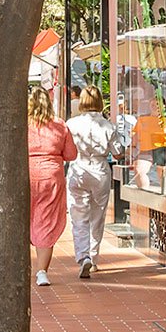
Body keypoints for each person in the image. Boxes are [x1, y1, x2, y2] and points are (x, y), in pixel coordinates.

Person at [27, 84, 78, 286]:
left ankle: (24, 267)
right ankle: (42, 272)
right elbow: (71, 155)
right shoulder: (59, 125)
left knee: (25, 218)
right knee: (46, 221)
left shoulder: (22, 124)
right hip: (52, 176)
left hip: (27, 174)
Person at [65, 87, 118, 278]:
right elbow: (118, 152)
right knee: (97, 216)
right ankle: (94, 257)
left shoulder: (71, 124)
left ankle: (83, 256)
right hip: (100, 170)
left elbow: (66, 149)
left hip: (78, 169)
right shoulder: (108, 126)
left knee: (78, 215)